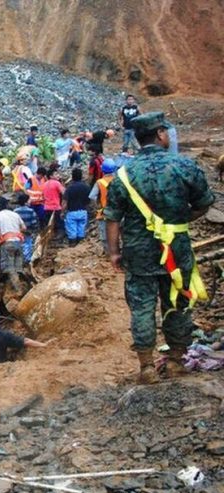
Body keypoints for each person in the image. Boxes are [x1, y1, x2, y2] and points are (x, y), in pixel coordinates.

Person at [105, 112, 215, 383]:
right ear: (160, 135)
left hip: (138, 252)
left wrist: (114, 252)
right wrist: (179, 220)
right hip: (176, 249)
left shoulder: (124, 174)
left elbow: (112, 217)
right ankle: (177, 361)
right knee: (178, 300)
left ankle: (146, 367)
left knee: (141, 307)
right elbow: (204, 202)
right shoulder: (184, 165)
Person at [0, 198, 27, 290]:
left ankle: (17, 289)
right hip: (18, 243)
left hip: (7, 243)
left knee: (10, 268)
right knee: (18, 268)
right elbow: (24, 228)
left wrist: (1, 237)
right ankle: (23, 288)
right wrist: (17, 233)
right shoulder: (15, 214)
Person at [89, 160, 118, 254]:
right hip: (118, 211)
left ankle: (108, 252)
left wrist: (97, 206)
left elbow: (92, 196)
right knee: (118, 231)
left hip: (104, 211)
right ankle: (118, 250)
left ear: (103, 170)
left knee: (104, 233)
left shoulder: (99, 182)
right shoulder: (118, 181)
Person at [63, 167, 91, 245]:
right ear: (81, 176)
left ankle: (72, 246)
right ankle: (80, 246)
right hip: (83, 211)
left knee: (72, 232)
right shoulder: (86, 187)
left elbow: (65, 202)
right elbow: (90, 200)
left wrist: (62, 211)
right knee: (81, 231)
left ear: (72, 177)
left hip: (72, 212)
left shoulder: (70, 188)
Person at [12, 193, 39, 263]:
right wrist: (34, 229)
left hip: (17, 232)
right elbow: (34, 222)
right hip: (28, 231)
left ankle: (18, 259)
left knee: (19, 244)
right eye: (29, 200)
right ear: (26, 202)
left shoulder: (15, 211)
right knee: (28, 245)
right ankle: (27, 260)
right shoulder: (31, 211)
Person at [42, 166, 65, 233]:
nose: (58, 175)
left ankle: (51, 237)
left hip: (46, 207)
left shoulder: (44, 184)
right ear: (51, 176)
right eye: (56, 174)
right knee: (58, 223)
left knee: (50, 224)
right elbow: (64, 193)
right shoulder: (56, 183)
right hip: (55, 207)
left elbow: (43, 196)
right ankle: (60, 236)